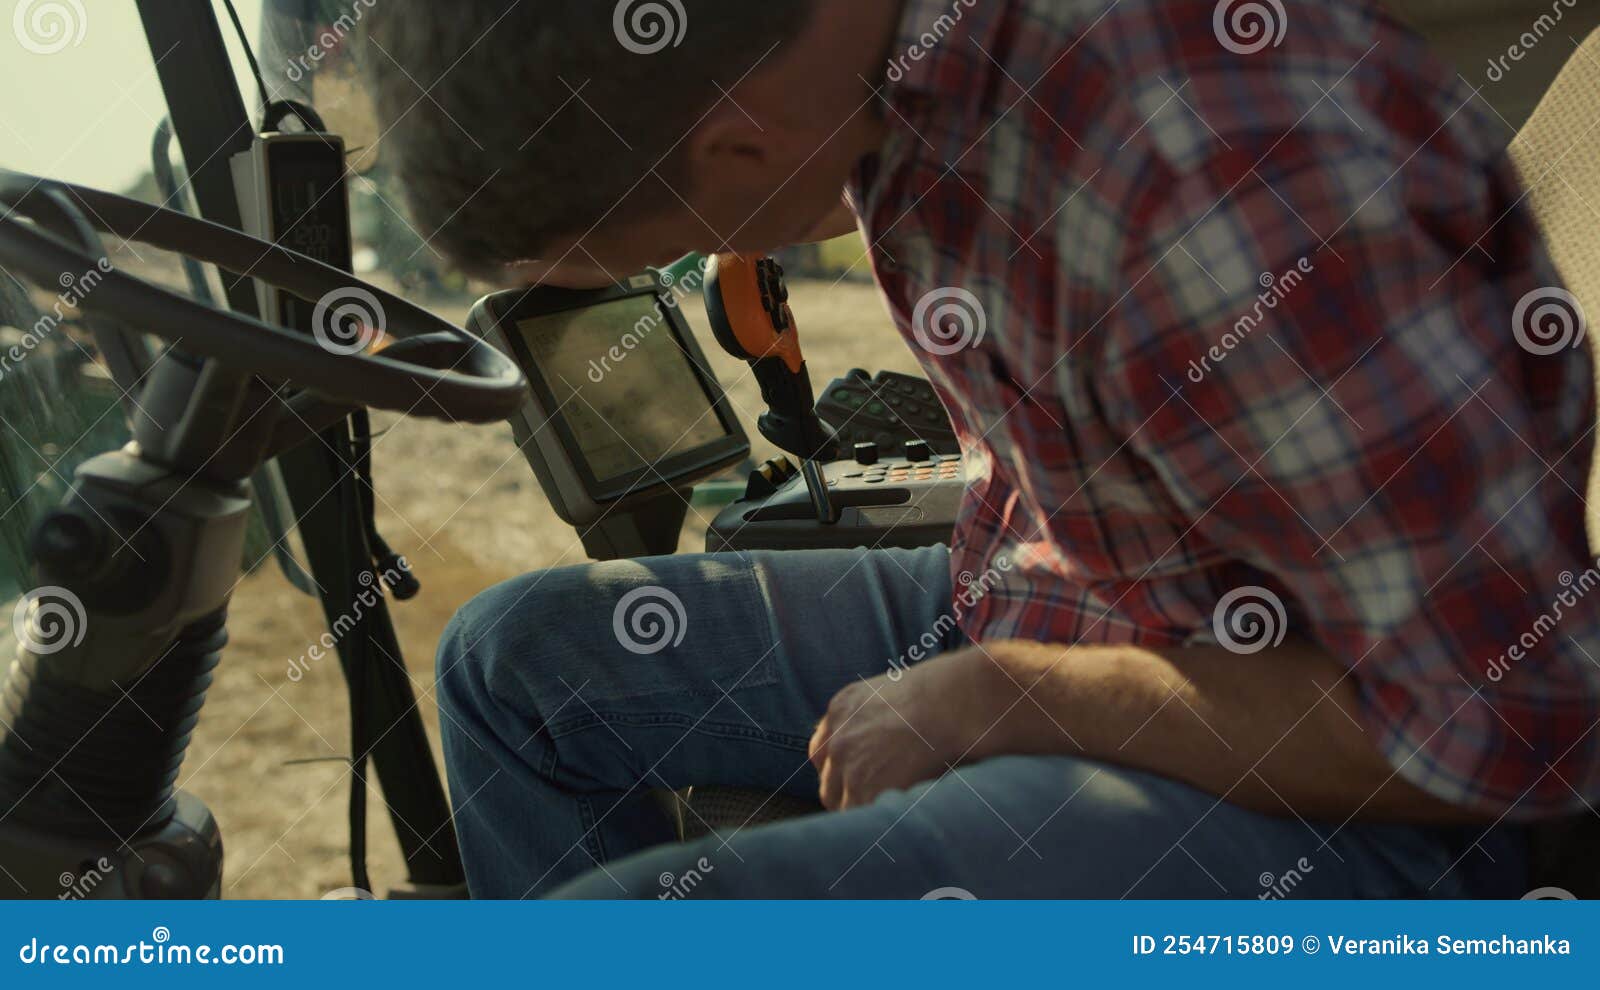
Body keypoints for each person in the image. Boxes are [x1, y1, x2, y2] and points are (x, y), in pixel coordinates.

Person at [368, 0, 1599, 898]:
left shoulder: (1204, 172)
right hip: (1079, 596)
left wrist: (999, 701)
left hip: (1373, 798)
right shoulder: (887, 87)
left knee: (616, 933)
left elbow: (1503, 732)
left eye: (663, 242)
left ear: (742, 144)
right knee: (514, 661)